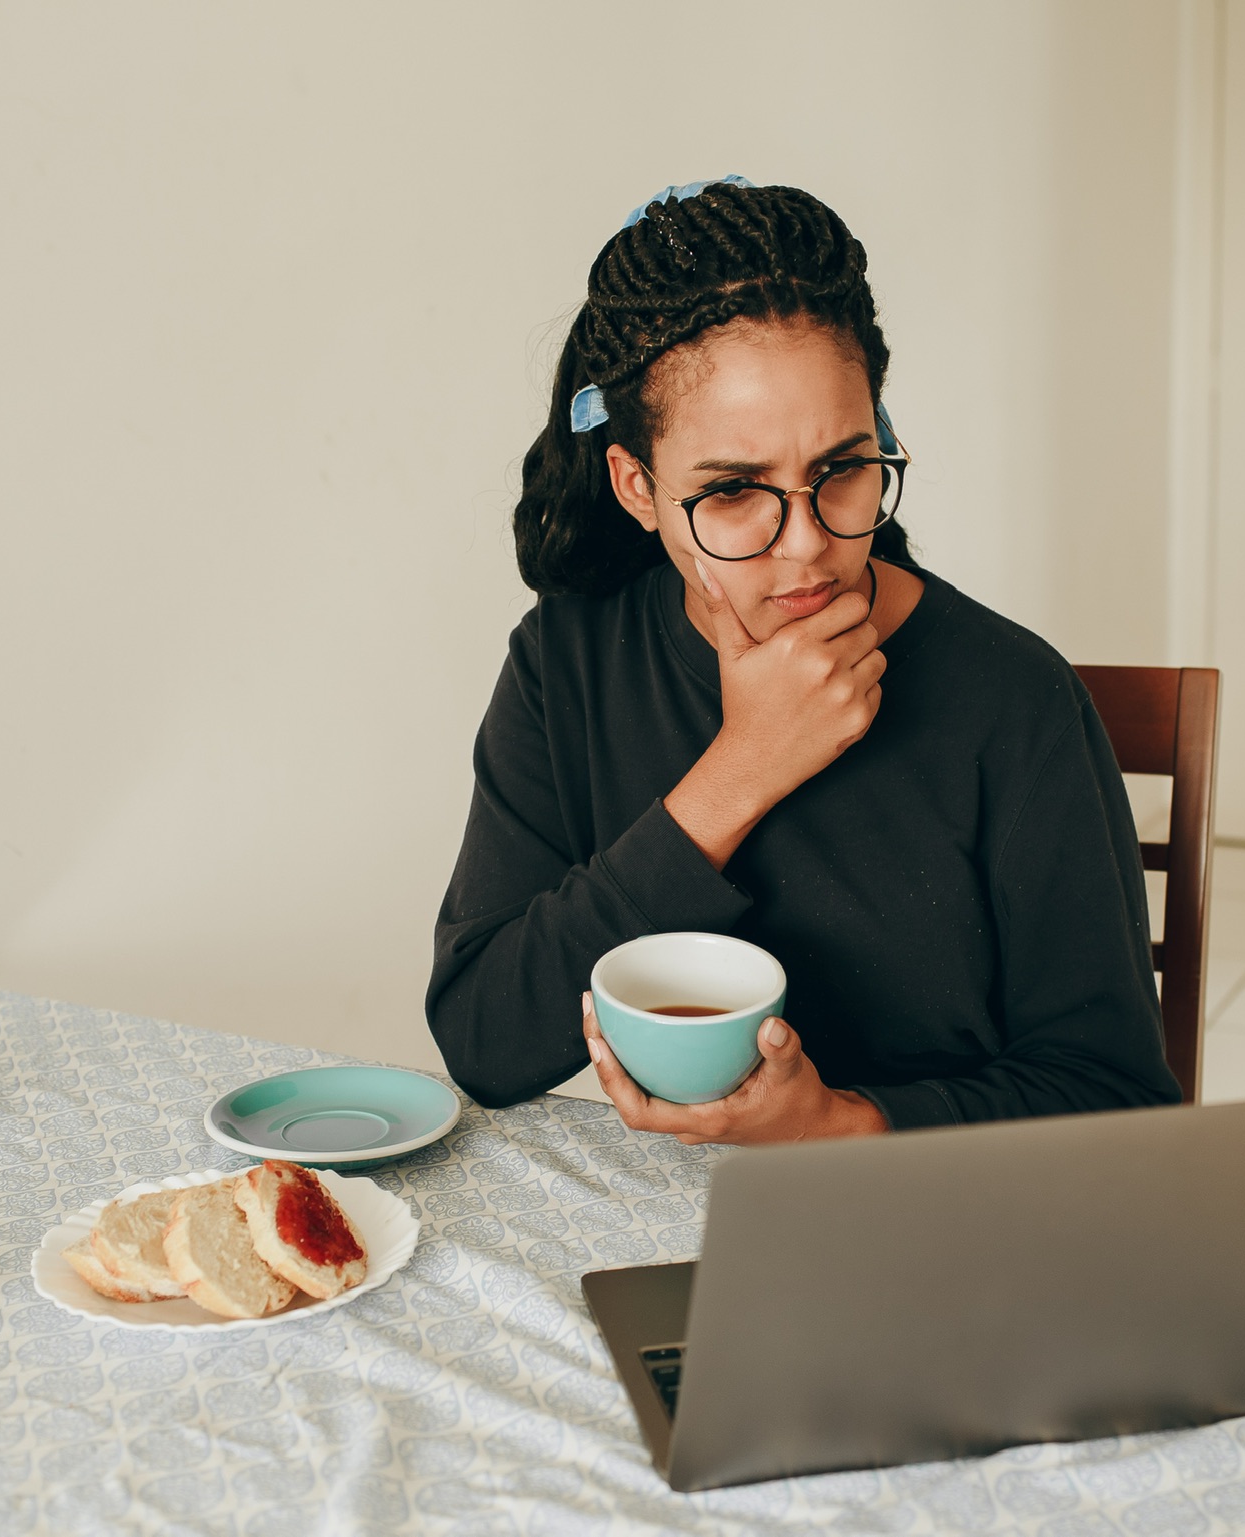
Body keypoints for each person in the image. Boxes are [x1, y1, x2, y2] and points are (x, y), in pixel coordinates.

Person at [427, 177, 1177, 1144]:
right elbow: (484, 1038)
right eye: (735, 489)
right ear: (637, 488)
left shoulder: (1014, 700)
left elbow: (1119, 1103)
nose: (806, 546)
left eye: (841, 471)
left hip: (931, 1230)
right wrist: (741, 769)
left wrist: (837, 1123)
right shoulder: (563, 661)